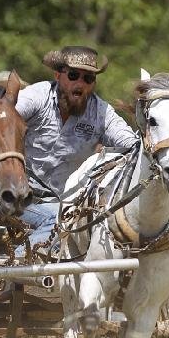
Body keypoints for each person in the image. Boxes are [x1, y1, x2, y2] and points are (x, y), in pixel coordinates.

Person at [14, 46, 139, 252]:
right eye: (73, 75)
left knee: (71, 219)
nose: (80, 83)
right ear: (58, 75)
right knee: (60, 220)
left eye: (88, 79)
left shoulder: (101, 113)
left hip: (63, 204)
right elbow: (4, 119)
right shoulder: (37, 96)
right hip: (15, 196)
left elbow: (131, 145)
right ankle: (14, 269)